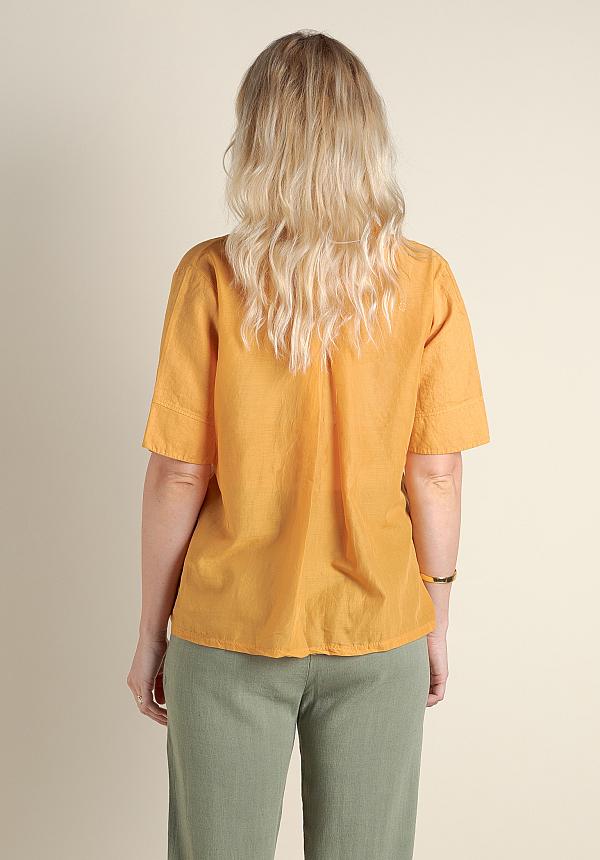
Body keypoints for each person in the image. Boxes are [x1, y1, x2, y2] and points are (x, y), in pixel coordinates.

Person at [127, 29, 490, 860]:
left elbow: (179, 472)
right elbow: (436, 473)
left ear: (256, 138)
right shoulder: (424, 279)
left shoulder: (210, 276)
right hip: (380, 627)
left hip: (229, 629)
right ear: (367, 137)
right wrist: (434, 618)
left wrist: (152, 633)